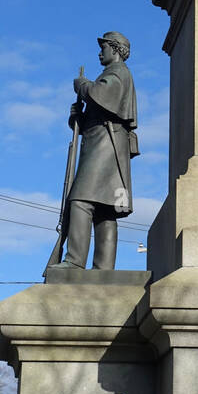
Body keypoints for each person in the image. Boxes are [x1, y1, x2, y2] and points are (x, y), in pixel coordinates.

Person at [62, 31, 137, 271]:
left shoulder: (118, 73)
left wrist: (83, 85)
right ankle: (104, 269)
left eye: (103, 47)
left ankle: (74, 262)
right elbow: (99, 114)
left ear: (115, 49)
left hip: (107, 145)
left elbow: (100, 95)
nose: (99, 52)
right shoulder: (112, 74)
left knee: (81, 200)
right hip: (105, 143)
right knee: (106, 208)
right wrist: (78, 118)